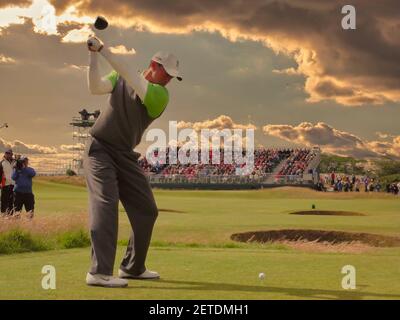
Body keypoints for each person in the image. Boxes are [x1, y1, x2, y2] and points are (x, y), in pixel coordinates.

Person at [84, 34, 182, 288]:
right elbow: (95, 87)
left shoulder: (160, 95)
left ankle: (132, 267)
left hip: (125, 154)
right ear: (154, 64)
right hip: (100, 149)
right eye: (167, 72)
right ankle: (99, 272)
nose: (169, 79)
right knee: (106, 202)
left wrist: (103, 49)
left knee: (146, 210)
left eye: (173, 76)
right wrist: (94, 56)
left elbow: (131, 77)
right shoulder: (121, 78)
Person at [0, 149, 15, 215]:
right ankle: (3, 215)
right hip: (5, 185)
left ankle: (10, 216)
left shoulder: (15, 162)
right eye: (6, 153)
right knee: (4, 201)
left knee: (12, 202)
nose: (7, 154)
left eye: (9, 153)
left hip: (13, 185)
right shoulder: (2, 163)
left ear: (11, 154)